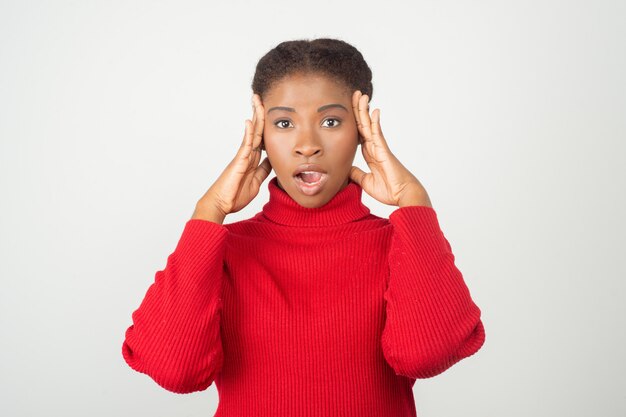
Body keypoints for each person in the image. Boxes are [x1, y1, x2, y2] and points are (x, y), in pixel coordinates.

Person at [121, 38, 486, 417]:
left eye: (330, 121)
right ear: (261, 135)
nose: (307, 145)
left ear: (362, 130)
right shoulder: (222, 249)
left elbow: (426, 355)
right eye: (284, 123)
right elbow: (174, 371)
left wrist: (414, 200)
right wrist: (208, 211)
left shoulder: (401, 244)